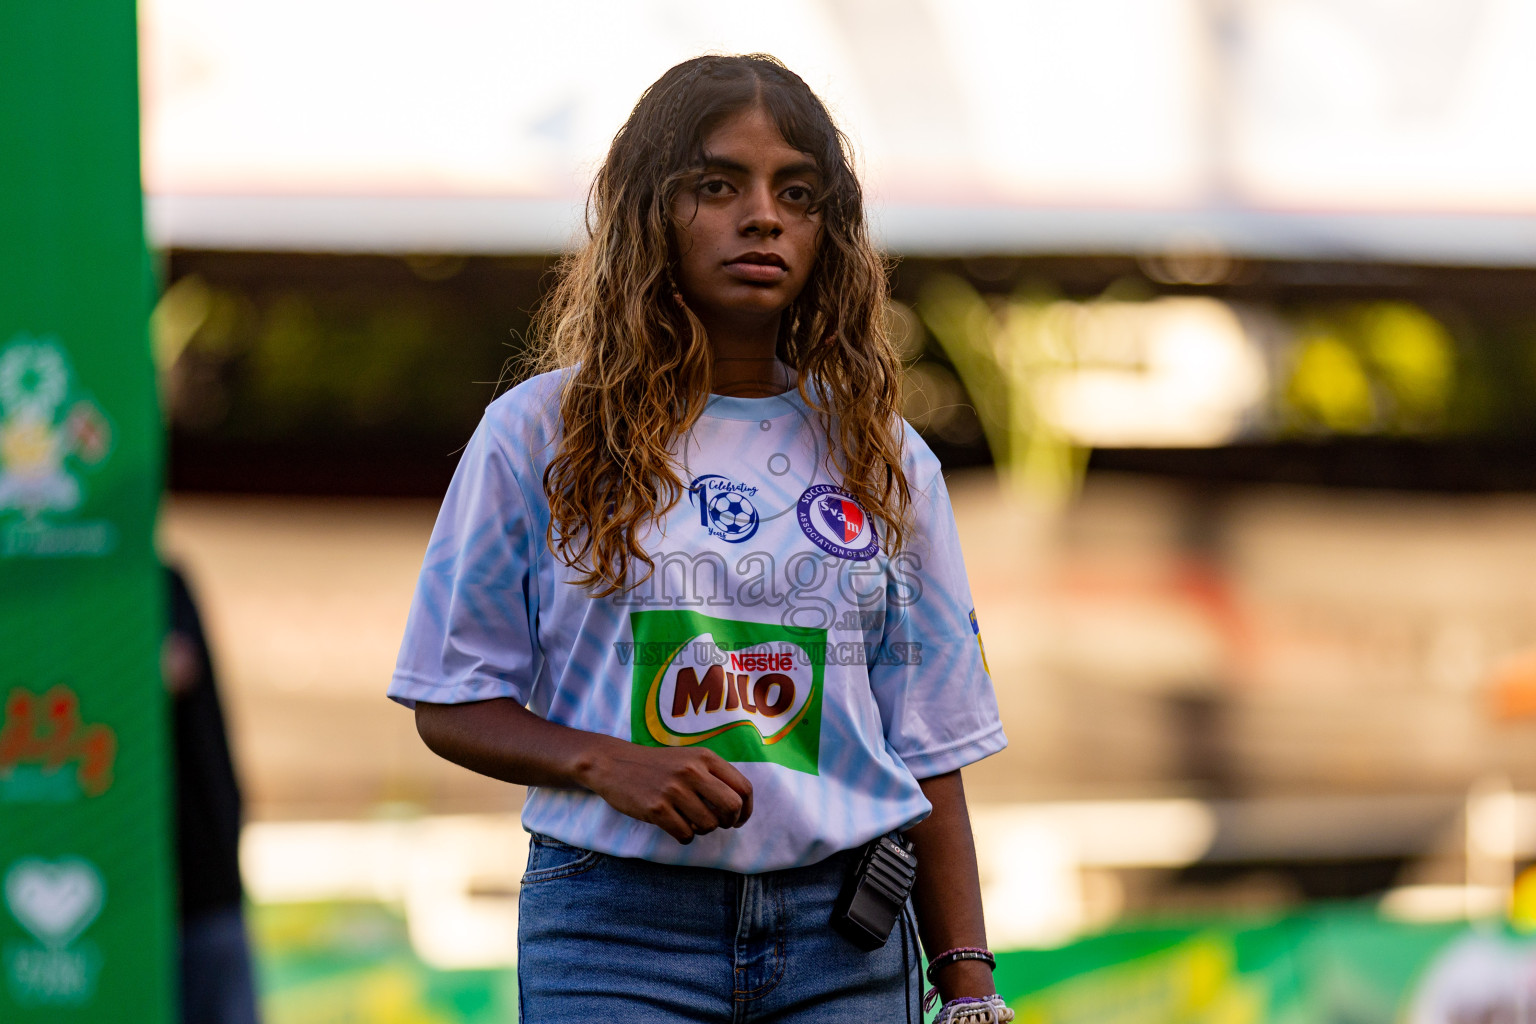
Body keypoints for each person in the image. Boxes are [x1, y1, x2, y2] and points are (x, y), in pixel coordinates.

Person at [390, 54, 1011, 1024]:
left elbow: (929, 745)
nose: (761, 215)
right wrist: (603, 759)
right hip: (613, 933)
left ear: (829, 230)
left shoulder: (885, 454)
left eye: (796, 192)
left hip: (844, 935)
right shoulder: (537, 432)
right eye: (717, 184)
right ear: (649, 210)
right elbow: (449, 697)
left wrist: (969, 983)